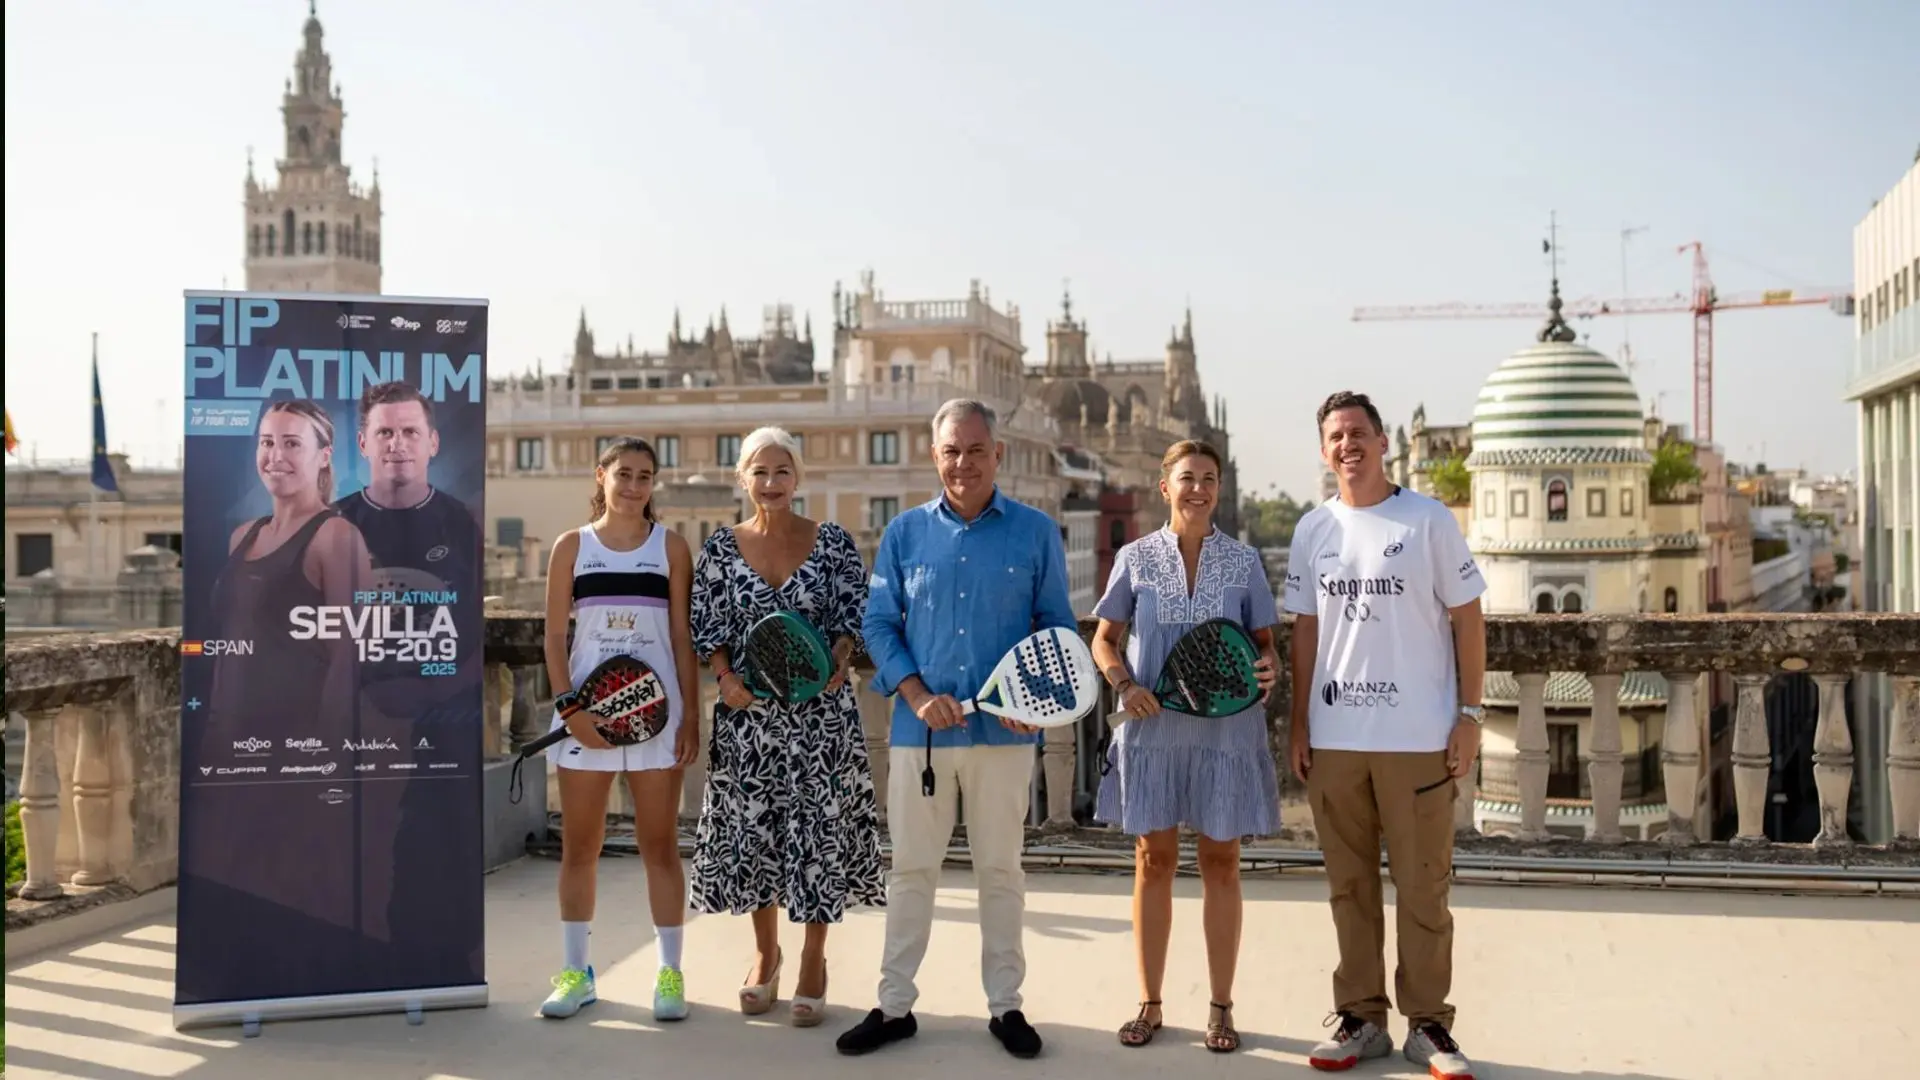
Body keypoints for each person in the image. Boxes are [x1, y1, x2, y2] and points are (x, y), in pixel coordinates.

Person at [836, 398, 1078, 1061]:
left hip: (1006, 738)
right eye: (951, 451)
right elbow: (879, 624)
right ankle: (893, 1007)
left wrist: (1036, 701)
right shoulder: (904, 534)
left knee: (1001, 873)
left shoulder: (1035, 533)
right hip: (924, 738)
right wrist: (913, 693)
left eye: (975, 450)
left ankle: (1006, 1007)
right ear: (934, 456)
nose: (963, 463)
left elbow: (1056, 628)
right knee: (912, 872)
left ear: (997, 454)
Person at [1284, 391, 1486, 1080]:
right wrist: (1300, 721)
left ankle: (1429, 1027)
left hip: (1420, 737)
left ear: (1382, 442)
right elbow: (1305, 632)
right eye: (1336, 436)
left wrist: (1472, 714)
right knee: (1349, 887)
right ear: (1324, 450)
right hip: (1337, 738)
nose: (1349, 446)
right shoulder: (1313, 530)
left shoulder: (1427, 520)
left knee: (1424, 889)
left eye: (1360, 433)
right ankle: (1362, 1019)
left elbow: (1469, 619)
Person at [179, 398, 375, 1004]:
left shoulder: (336, 536)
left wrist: (329, 755)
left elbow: (350, 657)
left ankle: (308, 989)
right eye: (267, 442)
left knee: (295, 875)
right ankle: (251, 987)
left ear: (322, 457)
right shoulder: (245, 534)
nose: (276, 455)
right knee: (233, 873)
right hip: (228, 739)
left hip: (299, 742)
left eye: (292, 443)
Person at [689, 425, 885, 1028]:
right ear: (742, 478)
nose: (770, 483)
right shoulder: (720, 550)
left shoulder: (832, 543)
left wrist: (843, 655)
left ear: (798, 478)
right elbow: (707, 629)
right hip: (749, 721)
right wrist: (725, 678)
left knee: (818, 839)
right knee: (757, 838)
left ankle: (813, 961)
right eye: (759, 472)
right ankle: (765, 952)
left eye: (781, 472)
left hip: (821, 721)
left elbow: (857, 615)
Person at [1089, 439, 1280, 1054]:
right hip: (1154, 731)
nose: (1198, 488)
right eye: (1187, 478)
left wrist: (1271, 666)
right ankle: (1150, 1003)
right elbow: (1105, 638)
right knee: (1155, 863)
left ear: (1218, 488)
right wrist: (1123, 682)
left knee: (1223, 863)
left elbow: (1264, 645)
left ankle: (1221, 1008)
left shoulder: (1245, 561)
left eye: (1209, 478)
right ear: (1164, 486)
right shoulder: (1134, 558)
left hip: (1226, 732)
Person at [537, 437, 701, 1022]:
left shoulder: (672, 548)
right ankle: (576, 974)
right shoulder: (571, 548)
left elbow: (683, 640)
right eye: (624, 474)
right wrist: (571, 709)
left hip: (658, 722)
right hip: (587, 720)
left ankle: (670, 975)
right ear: (600, 475)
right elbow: (555, 638)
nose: (634, 486)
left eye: (645, 477)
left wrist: (690, 717)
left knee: (660, 847)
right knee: (580, 849)